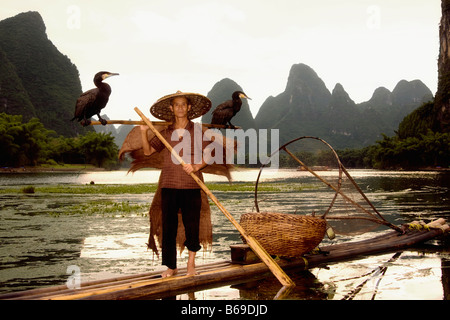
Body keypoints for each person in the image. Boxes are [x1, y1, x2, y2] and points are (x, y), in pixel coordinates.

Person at [139, 91, 213, 278]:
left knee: (192, 226)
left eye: (183, 104)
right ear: (171, 108)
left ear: (189, 108)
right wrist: (143, 132)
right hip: (169, 185)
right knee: (169, 228)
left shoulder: (197, 131)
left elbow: (209, 155)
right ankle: (171, 267)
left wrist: (196, 166)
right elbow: (147, 152)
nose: (180, 108)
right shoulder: (164, 133)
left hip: (191, 185)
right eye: (176, 105)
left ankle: (191, 264)